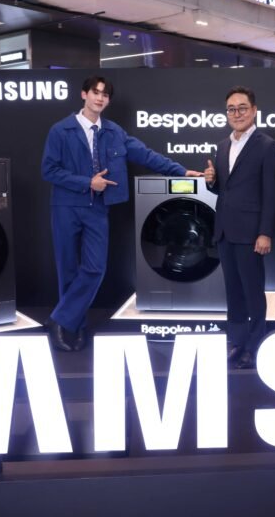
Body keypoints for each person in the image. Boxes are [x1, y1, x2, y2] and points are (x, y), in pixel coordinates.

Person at [42, 76, 202, 352]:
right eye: (96, 92)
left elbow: (147, 155)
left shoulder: (114, 132)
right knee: (67, 269)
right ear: (84, 94)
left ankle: (59, 320)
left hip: (97, 209)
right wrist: (87, 182)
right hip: (66, 207)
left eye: (105, 94)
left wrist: (182, 171)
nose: (100, 98)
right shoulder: (60, 130)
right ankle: (75, 326)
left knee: (94, 268)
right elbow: (49, 170)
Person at [204, 86, 275, 369]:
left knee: (252, 292)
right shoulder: (222, 145)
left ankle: (255, 344)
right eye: (231, 109)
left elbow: (272, 194)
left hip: (251, 233)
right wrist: (212, 181)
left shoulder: (267, 146)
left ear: (254, 111)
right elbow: (224, 190)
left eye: (242, 108)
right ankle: (236, 342)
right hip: (225, 230)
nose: (236, 114)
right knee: (233, 291)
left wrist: (265, 232)